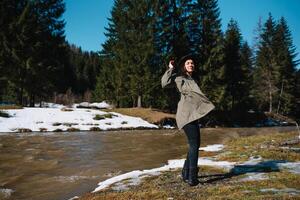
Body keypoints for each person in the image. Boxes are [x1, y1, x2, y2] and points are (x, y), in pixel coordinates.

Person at [161, 54, 215, 186]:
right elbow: (165, 83)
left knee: (193, 145)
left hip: (193, 115)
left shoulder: (193, 79)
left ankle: (186, 174)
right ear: (183, 67)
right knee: (195, 145)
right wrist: (171, 69)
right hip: (186, 116)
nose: (191, 64)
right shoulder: (180, 78)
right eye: (188, 63)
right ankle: (192, 178)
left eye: (192, 63)